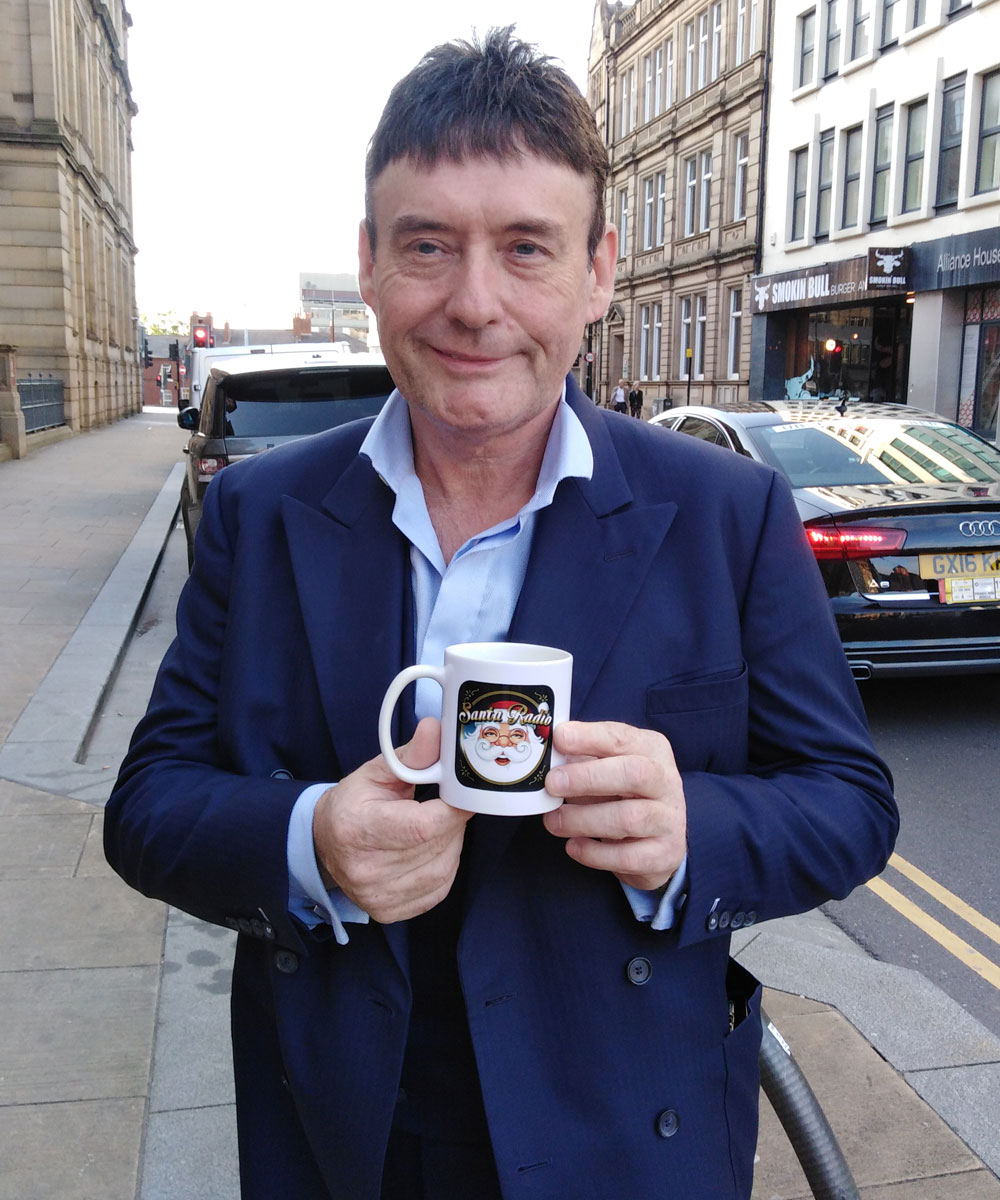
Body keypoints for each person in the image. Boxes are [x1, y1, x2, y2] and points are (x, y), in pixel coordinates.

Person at [104, 28, 897, 1200]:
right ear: (369, 261)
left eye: (526, 248)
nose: (474, 304)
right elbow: (150, 805)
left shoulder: (725, 511)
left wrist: (690, 832)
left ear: (597, 270)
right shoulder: (262, 516)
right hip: (347, 1139)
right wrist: (312, 840)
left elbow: (847, 803)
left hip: (628, 1133)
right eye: (428, 245)